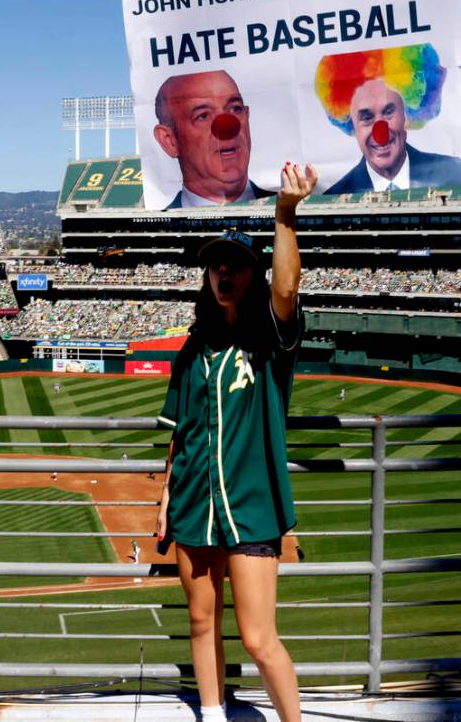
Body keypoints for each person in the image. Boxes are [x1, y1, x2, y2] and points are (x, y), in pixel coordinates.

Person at [155, 162, 315, 722]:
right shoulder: (193, 350)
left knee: (257, 637)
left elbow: (288, 287)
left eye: (237, 266)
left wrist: (285, 214)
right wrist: (166, 501)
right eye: (216, 266)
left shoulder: (270, 338)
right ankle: (213, 713)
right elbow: (181, 436)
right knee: (201, 621)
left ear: (253, 275)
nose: (224, 273)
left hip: (250, 507)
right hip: (195, 505)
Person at [315, 45, 461, 195]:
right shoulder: (334, 195)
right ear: (351, 124)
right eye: (366, 117)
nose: (380, 131)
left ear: (406, 113)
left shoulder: (460, 176)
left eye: (388, 112)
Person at [153, 70, 275, 209]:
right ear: (170, 141)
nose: (227, 126)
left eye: (235, 109)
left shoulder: (285, 207)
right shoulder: (162, 225)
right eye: (203, 116)